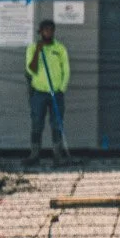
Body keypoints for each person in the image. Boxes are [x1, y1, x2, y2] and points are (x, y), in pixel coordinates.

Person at [24, 18, 71, 165]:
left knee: (57, 123)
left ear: (54, 31)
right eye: (45, 30)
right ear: (40, 32)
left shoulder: (60, 48)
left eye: (51, 29)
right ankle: (34, 154)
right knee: (37, 123)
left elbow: (66, 70)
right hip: (39, 92)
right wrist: (38, 51)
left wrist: (62, 88)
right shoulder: (32, 48)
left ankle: (57, 156)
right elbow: (30, 70)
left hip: (56, 93)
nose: (48, 32)